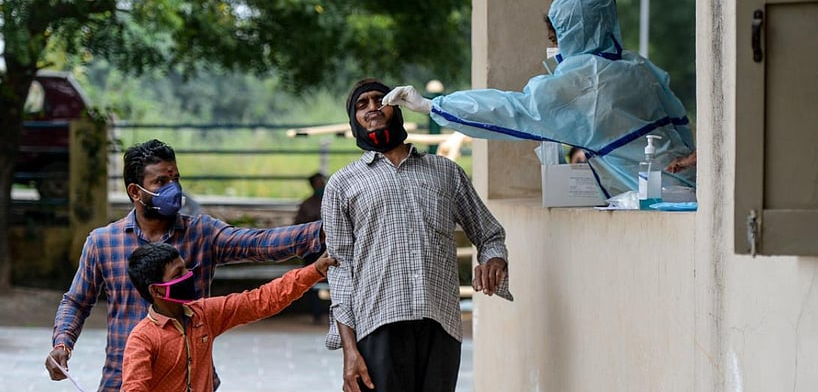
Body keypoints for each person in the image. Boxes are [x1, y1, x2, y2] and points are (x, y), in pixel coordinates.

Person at [45, 139, 326, 391]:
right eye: (160, 183)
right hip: (123, 381)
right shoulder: (103, 243)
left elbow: (259, 244)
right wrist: (62, 344)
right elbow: (77, 302)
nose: (173, 189)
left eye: (175, 179)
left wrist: (323, 232)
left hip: (191, 378)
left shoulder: (201, 234)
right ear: (135, 191)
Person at [383, 0, 696, 199]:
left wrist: (433, 106)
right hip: (688, 182)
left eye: (555, 39)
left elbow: (511, 111)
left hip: (661, 195)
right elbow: (682, 125)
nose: (554, 48)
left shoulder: (583, 83)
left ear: (571, 36)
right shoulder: (637, 67)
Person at [324, 79, 513, 392]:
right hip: (377, 324)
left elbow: (489, 233)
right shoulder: (343, 184)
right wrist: (349, 350)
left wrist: (493, 259)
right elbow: (340, 270)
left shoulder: (445, 172)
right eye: (362, 104)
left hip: (441, 322)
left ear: (396, 107)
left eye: (378, 99)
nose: (372, 107)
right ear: (354, 120)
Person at [121, 242, 337, 391]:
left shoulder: (203, 314)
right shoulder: (143, 339)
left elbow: (261, 301)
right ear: (157, 291)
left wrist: (314, 271)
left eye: (186, 269)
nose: (188, 276)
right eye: (178, 274)